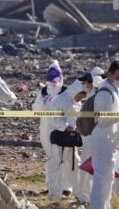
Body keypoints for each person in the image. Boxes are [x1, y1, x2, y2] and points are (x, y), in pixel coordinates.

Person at [88, 61, 119, 209]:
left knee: (109, 180)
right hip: (103, 141)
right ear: (109, 75)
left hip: (114, 142)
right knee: (102, 179)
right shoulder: (104, 93)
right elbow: (101, 119)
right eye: (117, 77)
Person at [46, 78, 87, 200]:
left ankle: (80, 194)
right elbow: (54, 118)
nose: (81, 99)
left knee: (75, 166)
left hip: (71, 141)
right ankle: (54, 194)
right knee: (55, 167)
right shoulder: (60, 100)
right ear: (76, 92)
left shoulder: (76, 103)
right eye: (81, 95)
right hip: (59, 139)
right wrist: (65, 127)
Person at [32, 61, 66, 196]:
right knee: (51, 156)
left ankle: (64, 186)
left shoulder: (65, 91)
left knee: (63, 156)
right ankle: (51, 185)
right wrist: (44, 104)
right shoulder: (43, 91)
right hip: (46, 127)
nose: (53, 81)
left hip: (62, 126)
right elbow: (35, 108)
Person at [76, 67, 105, 203]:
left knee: (91, 166)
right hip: (90, 136)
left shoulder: (98, 94)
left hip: (93, 136)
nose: (84, 85)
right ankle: (85, 195)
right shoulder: (93, 93)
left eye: (87, 82)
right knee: (88, 165)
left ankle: (86, 196)